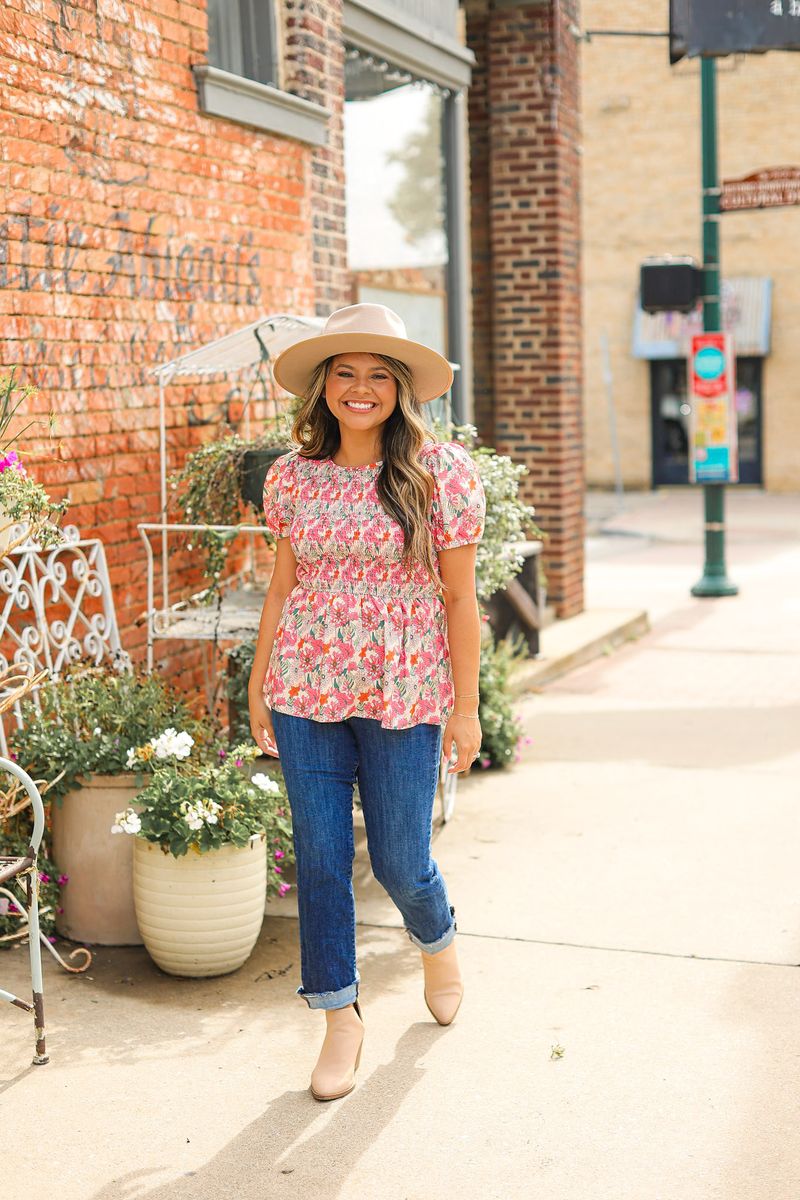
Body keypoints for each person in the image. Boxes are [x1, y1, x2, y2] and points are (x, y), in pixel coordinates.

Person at [248, 303, 486, 1102]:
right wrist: (258, 685)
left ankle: (437, 936)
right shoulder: (292, 476)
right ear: (322, 387)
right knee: (319, 860)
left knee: (398, 861)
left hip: (405, 688)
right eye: (345, 373)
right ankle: (339, 1016)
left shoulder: (438, 472)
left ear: (400, 389)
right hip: (304, 687)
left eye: (378, 375)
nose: (360, 388)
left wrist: (466, 708)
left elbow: (459, 600)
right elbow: (284, 585)